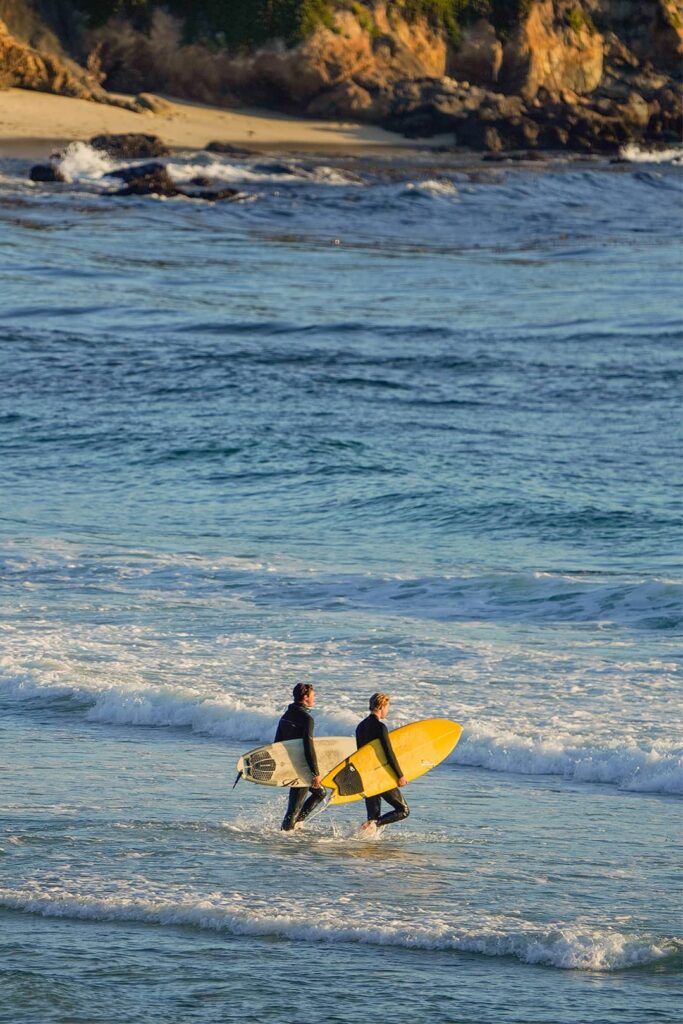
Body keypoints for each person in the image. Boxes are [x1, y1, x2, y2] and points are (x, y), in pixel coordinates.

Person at [356, 692, 409, 834]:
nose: (388, 710)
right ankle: (374, 825)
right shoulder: (380, 727)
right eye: (387, 707)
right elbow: (388, 754)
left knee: (372, 816)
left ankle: (369, 846)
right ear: (381, 706)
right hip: (380, 775)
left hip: (367, 775)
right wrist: (400, 775)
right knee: (403, 810)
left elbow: (360, 755)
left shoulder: (360, 727)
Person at [275, 682, 325, 831]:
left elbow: (277, 743)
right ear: (305, 697)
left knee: (320, 793)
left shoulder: (286, 715)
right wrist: (315, 772)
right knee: (293, 809)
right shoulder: (307, 718)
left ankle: (296, 823)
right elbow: (308, 747)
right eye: (312, 696)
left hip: (290, 764)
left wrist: (282, 766)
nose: (314, 699)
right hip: (301, 766)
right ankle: (286, 836)